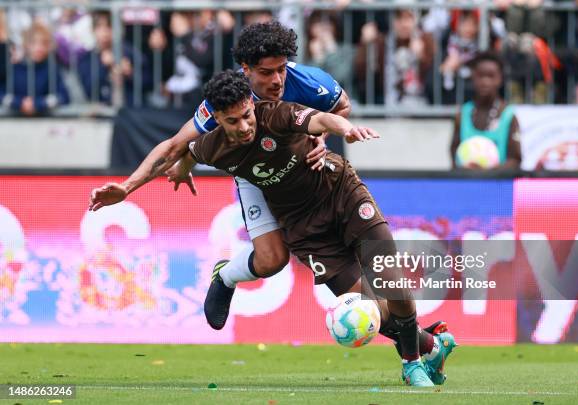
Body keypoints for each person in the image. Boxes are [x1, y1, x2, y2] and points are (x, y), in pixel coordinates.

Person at [89, 70, 457, 387]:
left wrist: (344, 127)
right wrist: (128, 187)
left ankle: (412, 363)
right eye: (233, 121)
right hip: (302, 225)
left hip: (339, 193)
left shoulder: (276, 113)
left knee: (391, 282)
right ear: (217, 117)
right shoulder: (211, 145)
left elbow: (322, 119)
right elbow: (174, 151)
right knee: (368, 309)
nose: (245, 126)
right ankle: (429, 345)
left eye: (247, 116)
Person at [90, 21, 350, 331]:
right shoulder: (229, 97)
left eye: (281, 69)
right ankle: (225, 276)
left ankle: (406, 332)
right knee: (271, 261)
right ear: (246, 69)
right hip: (254, 171)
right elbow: (175, 147)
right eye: (267, 73)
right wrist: (127, 187)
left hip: (298, 168)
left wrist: (321, 138)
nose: (278, 79)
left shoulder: (307, 80)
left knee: (343, 238)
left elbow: (341, 106)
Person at [450, 52, 521, 169]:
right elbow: (454, 156)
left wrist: (489, 171)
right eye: (480, 76)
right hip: (468, 183)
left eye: (491, 76)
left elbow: (515, 160)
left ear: (500, 79)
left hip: (499, 185)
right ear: (473, 77)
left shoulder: (508, 115)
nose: (485, 82)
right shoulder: (463, 114)